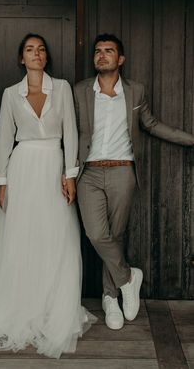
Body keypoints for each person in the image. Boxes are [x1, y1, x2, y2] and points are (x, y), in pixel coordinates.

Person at [0, 33, 95, 358]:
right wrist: (3, 182)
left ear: (46, 57)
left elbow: (71, 133)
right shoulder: (11, 94)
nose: (36, 54)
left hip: (53, 166)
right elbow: (5, 137)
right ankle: (16, 303)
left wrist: (70, 174)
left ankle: (48, 306)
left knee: (55, 235)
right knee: (18, 236)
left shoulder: (60, 88)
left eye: (41, 49)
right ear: (22, 58)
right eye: (30, 50)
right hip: (22, 169)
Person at [73, 33, 194, 331]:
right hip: (88, 172)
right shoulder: (79, 92)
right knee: (96, 234)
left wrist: (190, 140)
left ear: (120, 59)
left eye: (109, 51)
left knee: (116, 235)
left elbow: (150, 124)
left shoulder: (135, 91)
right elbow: (67, 128)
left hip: (122, 171)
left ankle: (109, 297)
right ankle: (128, 277)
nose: (102, 55)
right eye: (98, 51)